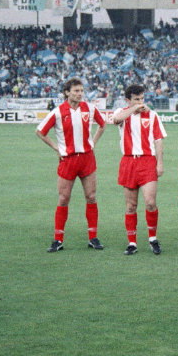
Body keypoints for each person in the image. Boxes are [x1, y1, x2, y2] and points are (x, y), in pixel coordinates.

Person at [36, 77, 107, 253]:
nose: (80, 94)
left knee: (91, 196)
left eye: (81, 91)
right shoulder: (58, 112)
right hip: (68, 160)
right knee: (63, 198)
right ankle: (58, 239)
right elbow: (40, 131)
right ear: (67, 92)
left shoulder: (89, 108)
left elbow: (103, 124)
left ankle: (93, 238)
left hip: (87, 159)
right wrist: (57, 148)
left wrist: (92, 143)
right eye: (76, 91)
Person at [112, 84, 166, 255]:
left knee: (150, 202)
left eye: (142, 99)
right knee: (130, 206)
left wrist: (160, 163)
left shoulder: (151, 115)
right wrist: (133, 108)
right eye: (136, 99)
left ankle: (152, 238)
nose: (140, 102)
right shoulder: (122, 113)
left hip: (147, 161)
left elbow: (158, 140)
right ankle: (132, 243)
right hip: (128, 162)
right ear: (128, 100)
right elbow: (115, 120)